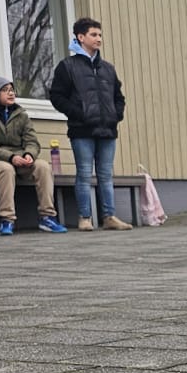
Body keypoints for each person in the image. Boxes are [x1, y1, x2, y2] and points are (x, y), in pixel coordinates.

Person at [48, 17, 130, 231]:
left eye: (100, 35)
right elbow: (57, 96)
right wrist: (79, 114)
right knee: (84, 174)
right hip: (82, 130)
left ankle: (109, 217)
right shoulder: (67, 67)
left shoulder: (108, 69)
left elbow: (119, 97)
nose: (98, 38)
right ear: (81, 37)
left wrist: (116, 115)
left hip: (107, 130)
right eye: (94, 35)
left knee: (106, 175)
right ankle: (85, 218)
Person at [0, 75, 64, 236]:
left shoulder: (21, 114)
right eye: (5, 90)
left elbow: (32, 141)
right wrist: (11, 157)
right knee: (6, 169)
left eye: (12, 90)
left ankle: (47, 217)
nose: (11, 93)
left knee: (43, 166)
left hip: (20, 157)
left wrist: (29, 154)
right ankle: (7, 219)